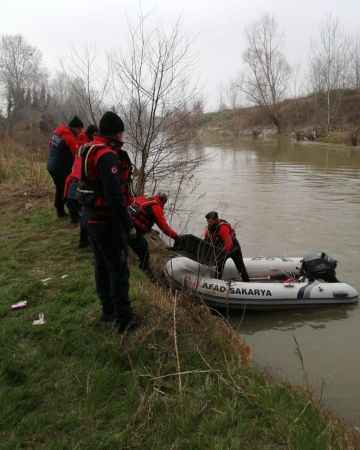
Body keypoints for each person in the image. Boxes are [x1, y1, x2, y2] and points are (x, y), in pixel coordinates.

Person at [77, 111, 136, 332]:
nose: (122, 136)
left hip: (90, 218)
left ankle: (107, 312)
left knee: (101, 267)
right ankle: (125, 319)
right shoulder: (107, 156)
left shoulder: (88, 149)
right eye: (121, 132)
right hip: (107, 222)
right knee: (118, 270)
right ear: (115, 133)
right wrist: (128, 225)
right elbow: (114, 198)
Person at [128, 192, 178, 276]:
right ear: (163, 201)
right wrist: (176, 237)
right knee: (144, 252)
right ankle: (144, 273)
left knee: (140, 246)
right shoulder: (156, 207)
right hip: (133, 230)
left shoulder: (143, 198)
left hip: (126, 223)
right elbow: (164, 227)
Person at [47, 116, 84, 218]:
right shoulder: (69, 137)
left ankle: (60, 211)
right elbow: (77, 154)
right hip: (59, 168)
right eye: (80, 129)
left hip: (51, 165)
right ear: (76, 128)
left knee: (60, 188)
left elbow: (50, 146)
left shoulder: (58, 132)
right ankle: (74, 214)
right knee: (66, 190)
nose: (81, 132)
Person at [204, 211, 250, 281]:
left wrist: (219, 254)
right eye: (207, 221)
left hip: (234, 249)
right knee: (218, 269)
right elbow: (206, 241)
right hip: (222, 250)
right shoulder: (208, 229)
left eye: (210, 222)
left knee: (241, 268)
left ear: (216, 220)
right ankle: (217, 282)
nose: (208, 223)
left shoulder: (223, 228)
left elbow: (228, 244)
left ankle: (247, 281)